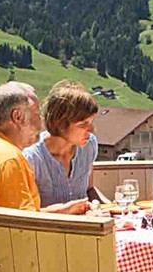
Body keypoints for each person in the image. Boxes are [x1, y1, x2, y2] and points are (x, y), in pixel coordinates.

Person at [0, 81, 100, 215]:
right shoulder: (9, 159)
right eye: (36, 114)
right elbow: (25, 222)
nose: (41, 121)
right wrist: (66, 211)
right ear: (17, 117)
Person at [27, 80, 101, 209]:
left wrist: (112, 207)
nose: (92, 129)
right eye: (83, 124)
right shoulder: (31, 158)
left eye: (92, 122)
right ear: (61, 125)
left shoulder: (89, 145)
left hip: (86, 225)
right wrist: (67, 211)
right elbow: (26, 214)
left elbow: (89, 190)